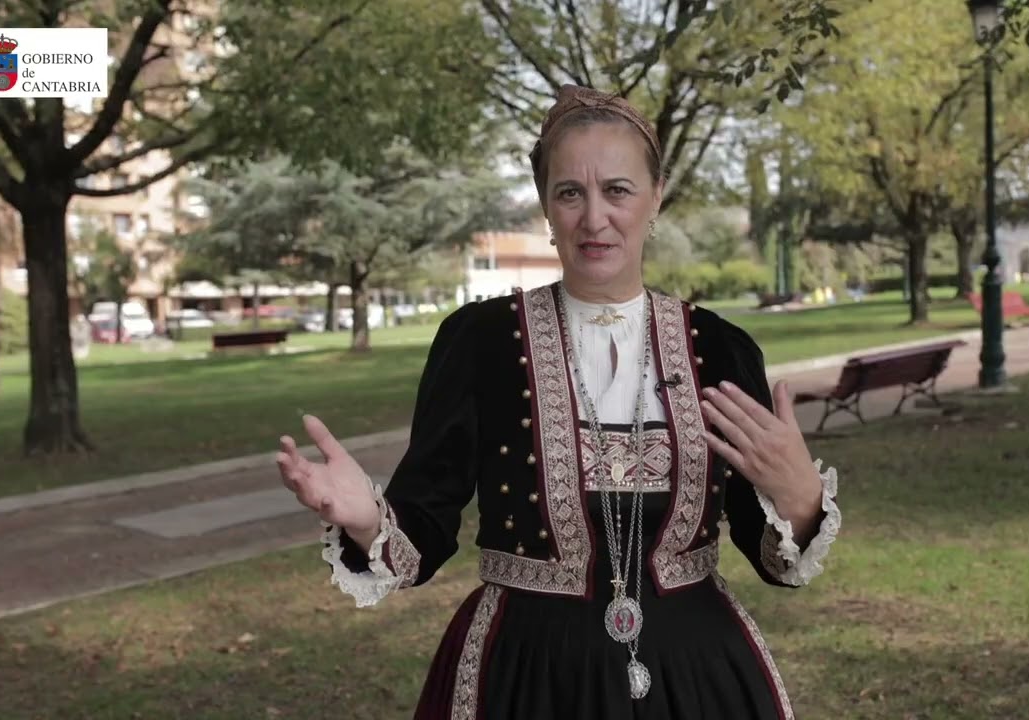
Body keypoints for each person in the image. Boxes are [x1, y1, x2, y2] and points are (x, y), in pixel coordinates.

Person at [275, 84, 841, 720]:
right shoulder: (482, 341)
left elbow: (772, 558)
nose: (594, 218)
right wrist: (367, 519)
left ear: (657, 197)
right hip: (526, 675)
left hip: (697, 674)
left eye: (618, 190)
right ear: (547, 206)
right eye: (570, 192)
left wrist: (798, 500)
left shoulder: (720, 348)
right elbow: (424, 527)